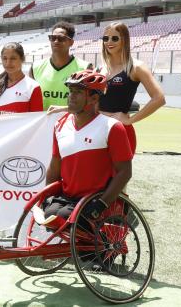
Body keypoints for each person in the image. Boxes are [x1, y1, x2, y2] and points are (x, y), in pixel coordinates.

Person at [43, 70, 133, 229]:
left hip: (95, 200)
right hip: (67, 198)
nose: (71, 96)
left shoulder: (112, 127)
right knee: (49, 214)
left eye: (78, 92)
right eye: (70, 91)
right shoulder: (60, 125)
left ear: (94, 98)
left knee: (64, 217)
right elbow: (54, 166)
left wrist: (102, 204)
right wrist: (47, 195)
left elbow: (125, 172)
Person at [97, 22, 165, 153]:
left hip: (119, 130)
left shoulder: (136, 67)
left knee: (119, 173)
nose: (109, 42)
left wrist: (130, 121)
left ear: (125, 40)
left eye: (115, 38)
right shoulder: (100, 68)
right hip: (96, 129)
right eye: (106, 38)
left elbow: (159, 98)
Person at [31, 21, 92, 111]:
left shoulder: (85, 68)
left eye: (61, 38)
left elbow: (90, 102)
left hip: (72, 124)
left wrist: (63, 109)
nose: (56, 41)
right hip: (42, 124)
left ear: (71, 42)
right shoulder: (35, 67)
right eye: (53, 38)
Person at [0, 43, 43, 115]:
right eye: (5, 58)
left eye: (13, 58)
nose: (8, 63)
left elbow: (36, 119)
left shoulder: (33, 87)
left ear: (22, 59)